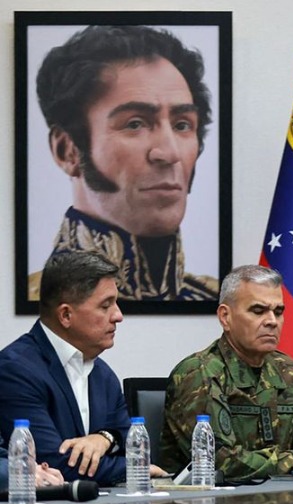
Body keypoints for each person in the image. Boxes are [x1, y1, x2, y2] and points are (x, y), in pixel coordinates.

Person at [30, 25, 219, 301]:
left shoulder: (212, 298)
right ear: (67, 151)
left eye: (182, 125)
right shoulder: (39, 301)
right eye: (135, 123)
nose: (169, 153)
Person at [159, 265, 293, 480]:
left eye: (278, 312)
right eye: (258, 311)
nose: (272, 321)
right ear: (225, 317)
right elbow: (221, 462)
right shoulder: (199, 373)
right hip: (209, 499)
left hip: (286, 497)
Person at [0, 252, 166, 485]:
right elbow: (53, 465)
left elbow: (134, 444)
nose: (118, 316)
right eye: (105, 306)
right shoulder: (16, 370)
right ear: (66, 315)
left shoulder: (102, 374)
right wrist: (135, 469)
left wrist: (104, 438)